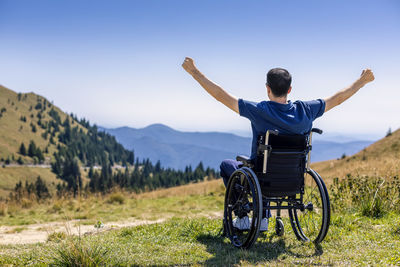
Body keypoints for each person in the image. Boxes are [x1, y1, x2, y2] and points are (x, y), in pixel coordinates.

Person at [182, 57, 375, 231]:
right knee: (264, 170)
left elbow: (220, 95)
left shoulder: (258, 110)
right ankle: (264, 219)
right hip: (293, 178)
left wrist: (194, 72)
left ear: (267, 88)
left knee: (227, 165)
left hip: (260, 178)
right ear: (290, 89)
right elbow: (338, 98)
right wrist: (362, 81)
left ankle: (243, 218)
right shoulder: (306, 110)